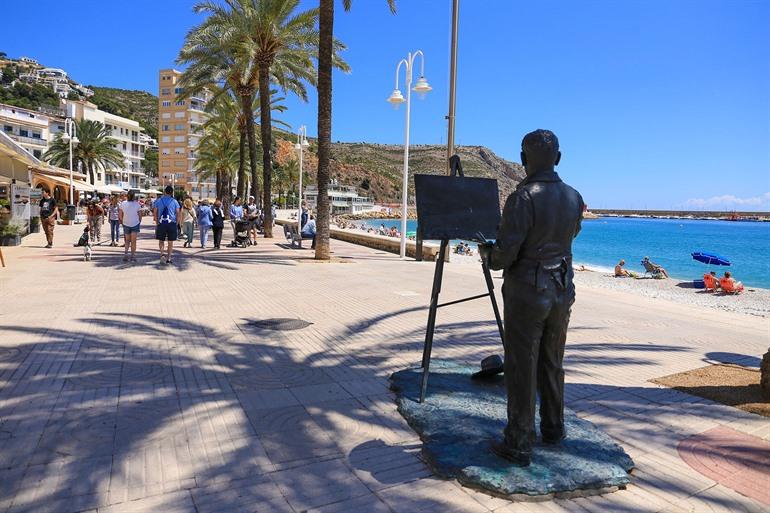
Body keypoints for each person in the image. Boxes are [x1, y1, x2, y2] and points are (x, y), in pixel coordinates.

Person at [479, 129, 584, 467]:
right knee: (552, 361)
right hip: (562, 289)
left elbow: (505, 254)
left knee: (521, 366)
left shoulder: (523, 198)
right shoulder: (574, 197)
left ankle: (519, 441)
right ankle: (553, 428)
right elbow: (570, 235)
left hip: (528, 292)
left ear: (524, 159)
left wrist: (488, 254)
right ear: (558, 158)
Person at [153, 185, 181, 265]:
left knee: (161, 240)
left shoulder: (159, 201)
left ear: (165, 192)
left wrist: (156, 222)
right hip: (171, 223)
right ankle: (169, 258)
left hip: (161, 222)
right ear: (172, 193)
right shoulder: (174, 201)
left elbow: (155, 211)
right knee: (170, 241)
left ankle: (162, 254)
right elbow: (178, 212)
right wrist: (177, 222)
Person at [119, 190, 142, 262]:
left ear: (127, 196)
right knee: (133, 241)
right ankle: (133, 256)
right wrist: (138, 222)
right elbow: (140, 215)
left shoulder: (123, 203)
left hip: (126, 223)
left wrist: (123, 221)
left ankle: (126, 254)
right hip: (135, 223)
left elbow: (120, 215)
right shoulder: (137, 204)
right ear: (134, 196)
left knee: (127, 240)